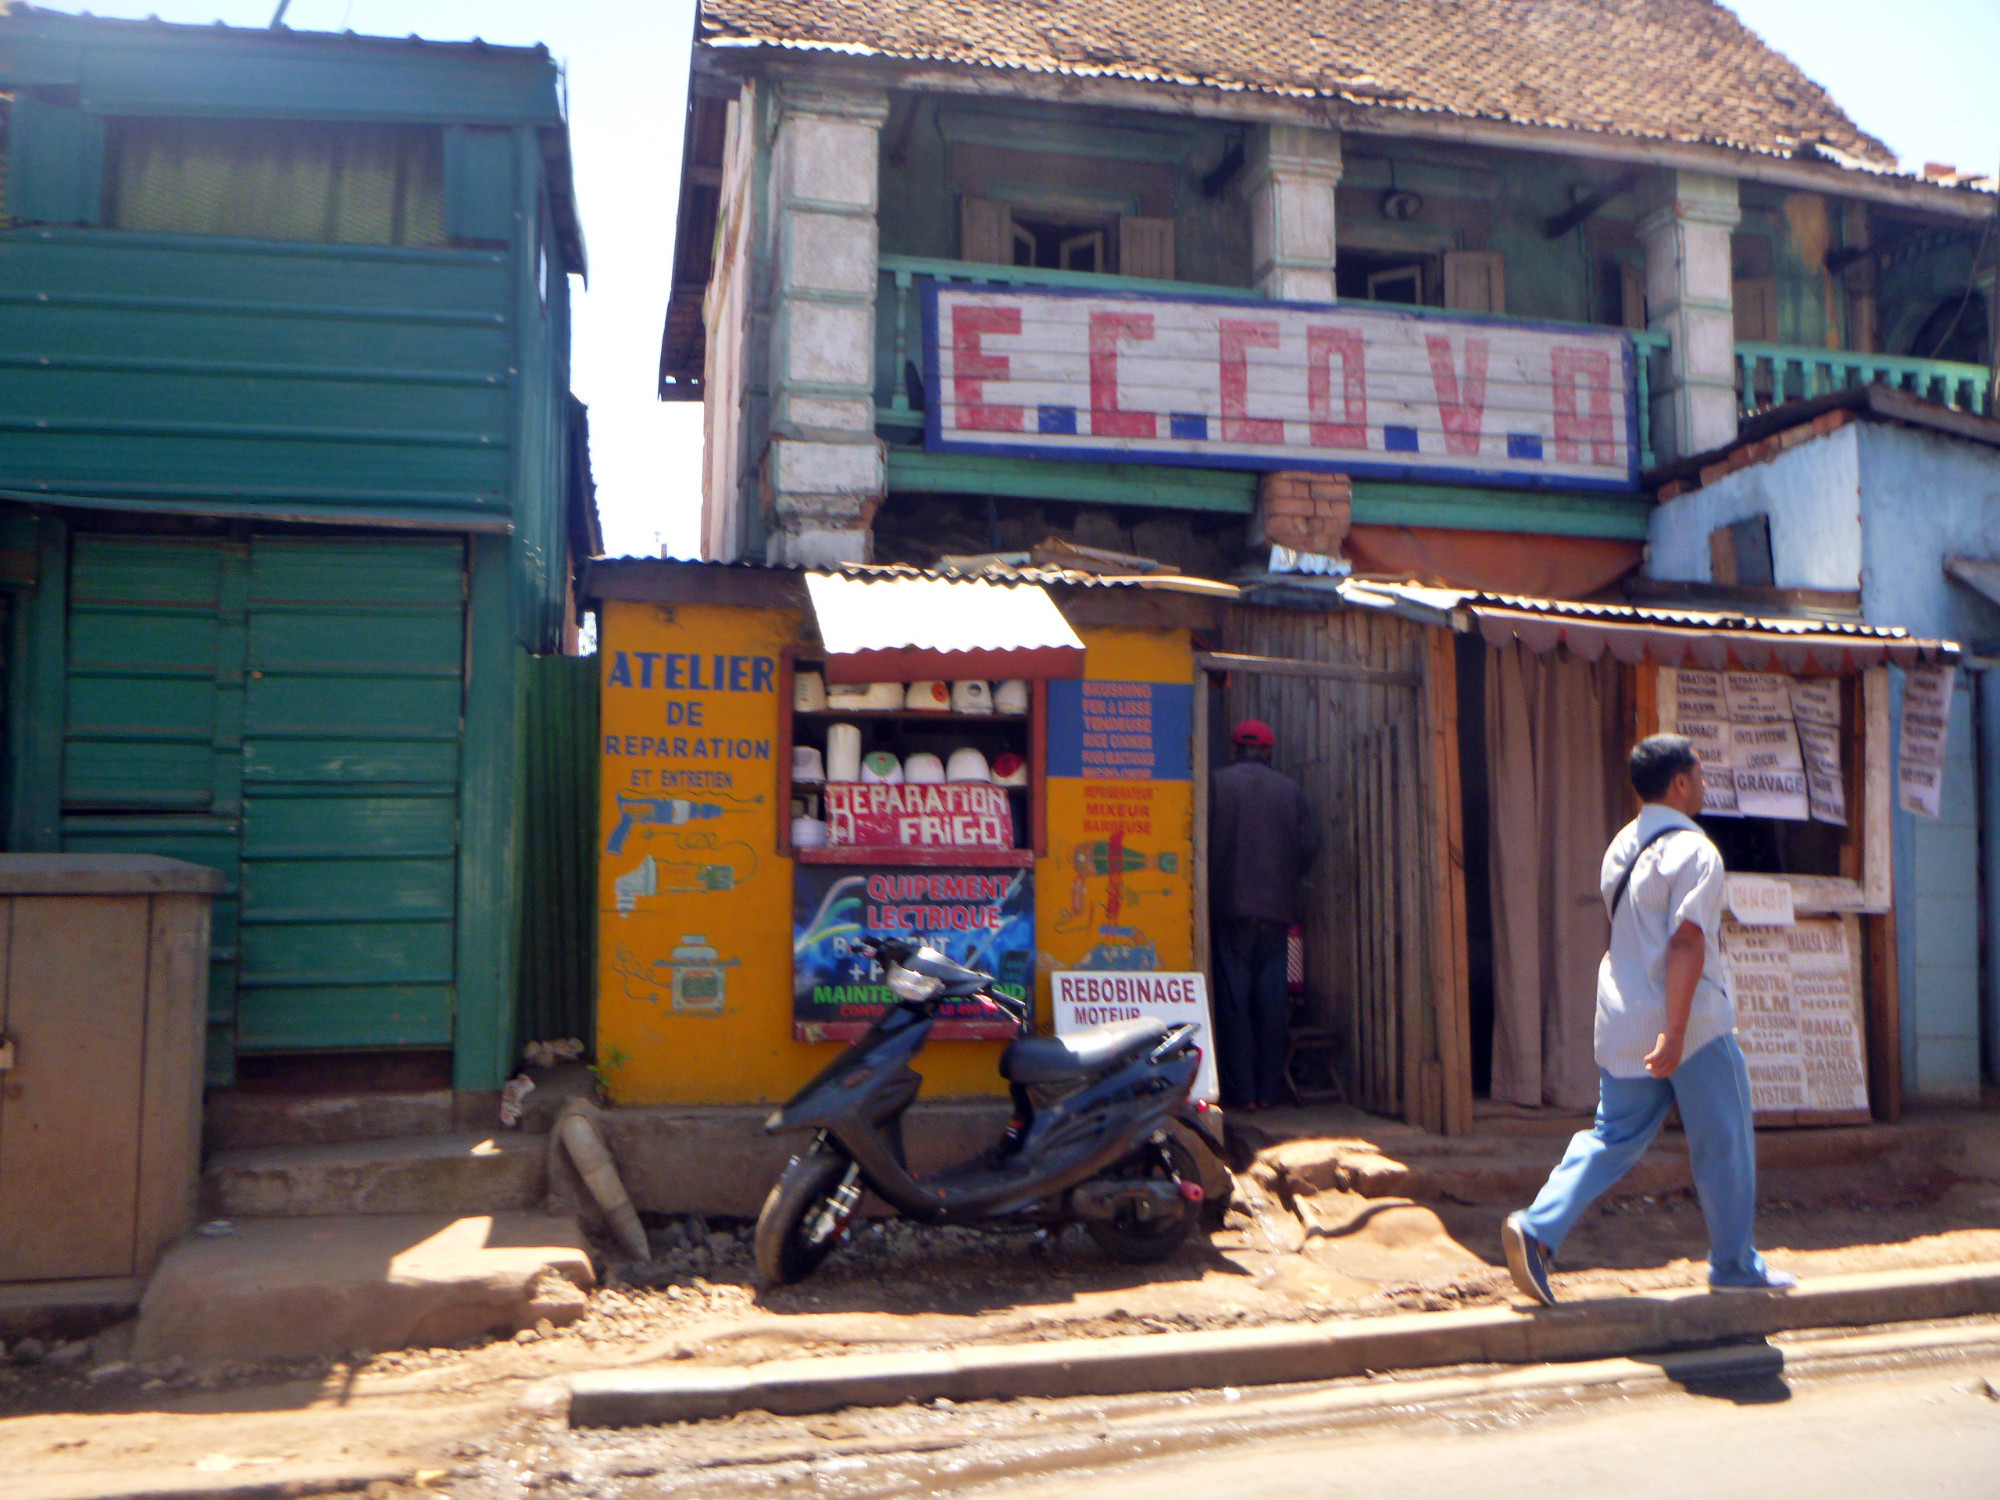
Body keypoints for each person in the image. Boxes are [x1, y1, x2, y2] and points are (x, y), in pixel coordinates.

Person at [1501, 733, 1797, 1305]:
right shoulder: (1697, 852)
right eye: (1701, 776)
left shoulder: (1621, 845)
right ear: (1680, 783)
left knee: (1613, 1136)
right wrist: (1677, 1033)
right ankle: (1734, 1265)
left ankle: (1537, 1227)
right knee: (1725, 1141)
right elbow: (1686, 944)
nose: (1705, 786)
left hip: (1622, 1015)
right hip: (1693, 1022)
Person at [1208, 718, 1319, 1111]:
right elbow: (1308, 848)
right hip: (1277, 915)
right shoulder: (1290, 791)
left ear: (1235, 747)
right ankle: (1270, 1093)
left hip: (1229, 911)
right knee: (1271, 1004)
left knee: (1235, 1005)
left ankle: (1243, 1095)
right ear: (1269, 751)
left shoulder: (1217, 785)